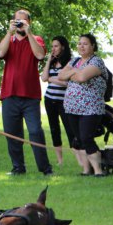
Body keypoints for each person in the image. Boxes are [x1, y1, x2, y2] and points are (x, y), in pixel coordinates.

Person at [0, 9, 52, 175]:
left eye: (23, 21)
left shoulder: (36, 39)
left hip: (30, 96)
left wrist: (29, 33)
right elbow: (0, 53)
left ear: (29, 22)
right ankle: (18, 168)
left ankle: (45, 169)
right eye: (17, 20)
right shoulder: (9, 39)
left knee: (35, 131)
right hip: (9, 95)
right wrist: (9, 32)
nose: (19, 23)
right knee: (12, 134)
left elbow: (40, 55)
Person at [58, 33, 107, 177]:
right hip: (72, 107)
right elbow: (61, 75)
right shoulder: (74, 61)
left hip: (90, 108)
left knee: (86, 137)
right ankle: (86, 170)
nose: (81, 46)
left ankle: (98, 171)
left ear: (93, 46)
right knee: (78, 139)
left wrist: (72, 73)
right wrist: (74, 71)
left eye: (85, 43)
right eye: (79, 43)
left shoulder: (96, 62)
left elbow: (82, 77)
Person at [41, 36, 75, 165]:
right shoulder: (52, 62)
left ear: (63, 47)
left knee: (70, 129)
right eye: (52, 46)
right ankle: (60, 160)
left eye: (56, 46)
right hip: (50, 100)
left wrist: (52, 79)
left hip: (64, 101)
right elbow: (44, 78)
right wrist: (49, 60)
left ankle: (80, 158)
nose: (53, 49)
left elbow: (68, 83)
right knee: (54, 129)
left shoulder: (70, 62)